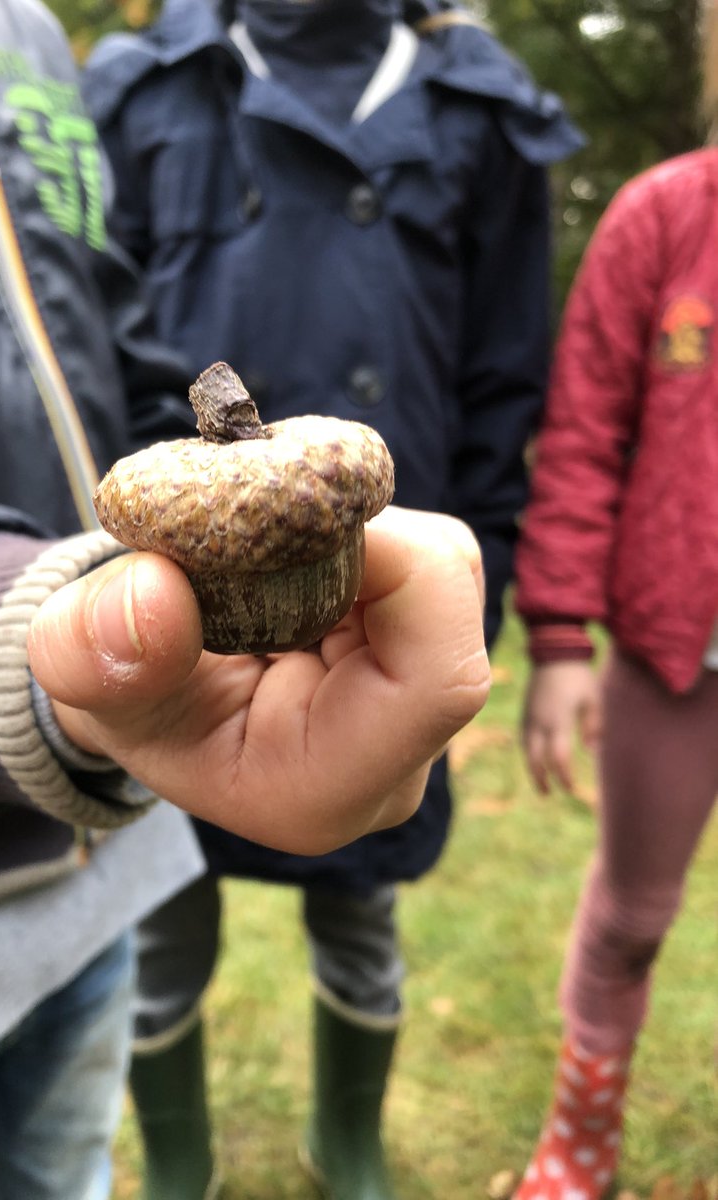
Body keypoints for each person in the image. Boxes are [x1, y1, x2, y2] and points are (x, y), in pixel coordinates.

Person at [0, 1, 491, 1197]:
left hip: (99, 871)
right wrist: (19, 642)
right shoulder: (136, 67)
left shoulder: (20, 32)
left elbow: (122, 353)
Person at [82, 2, 583, 1196]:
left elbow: (505, 378)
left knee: (362, 897)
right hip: (181, 602)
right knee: (165, 912)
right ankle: (178, 1157)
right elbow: (97, 330)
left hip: (381, 605)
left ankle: (347, 1143)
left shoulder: (480, 108)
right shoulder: (148, 87)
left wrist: (483, 578)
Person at [510, 8, 718, 1195]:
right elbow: (584, 439)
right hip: (671, 648)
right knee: (634, 913)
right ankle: (580, 1136)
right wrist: (558, 638)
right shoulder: (660, 215)